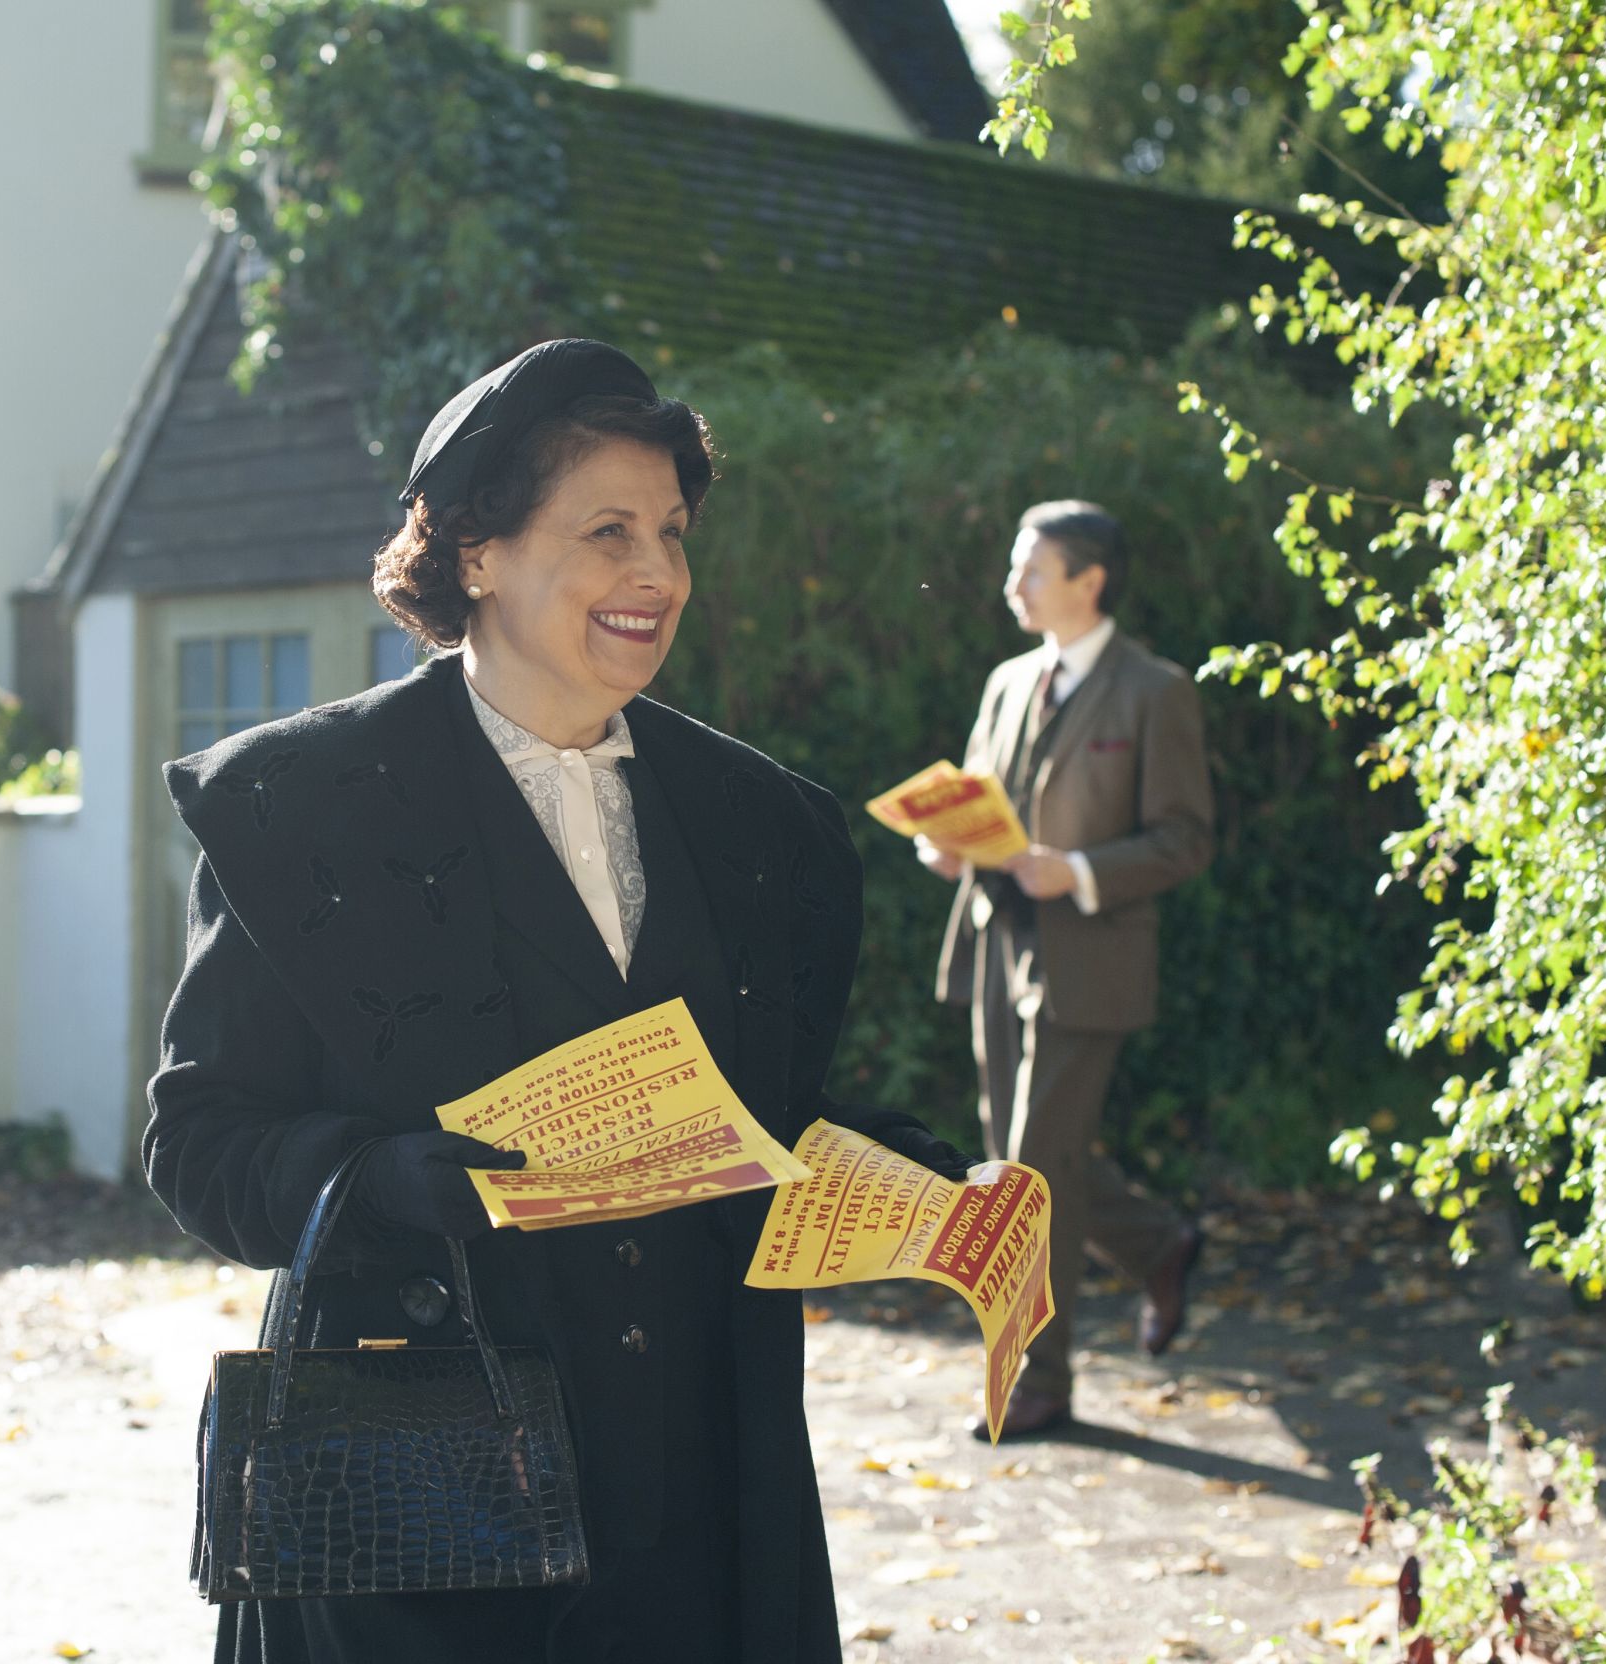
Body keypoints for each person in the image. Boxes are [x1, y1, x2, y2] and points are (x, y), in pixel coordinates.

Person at [144, 339, 974, 1664]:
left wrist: (926, 1191)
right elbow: (198, 1148)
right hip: (420, 1495)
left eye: (671, 533)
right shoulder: (295, 812)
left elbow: (767, 1123)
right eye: (607, 533)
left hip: (704, 1492)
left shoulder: (764, 826)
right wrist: (385, 1184)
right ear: (477, 551)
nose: (657, 575)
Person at [917, 501, 1215, 1439]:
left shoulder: (1156, 691)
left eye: (1031, 570)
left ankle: (1036, 1381)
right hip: (996, 941)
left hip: (1090, 953)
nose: (1013, 586)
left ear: (1089, 580)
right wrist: (949, 846)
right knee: (1019, 1157)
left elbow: (1185, 838)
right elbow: (974, 793)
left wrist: (1078, 871)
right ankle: (1157, 1243)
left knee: (1033, 1168)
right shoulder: (1008, 681)